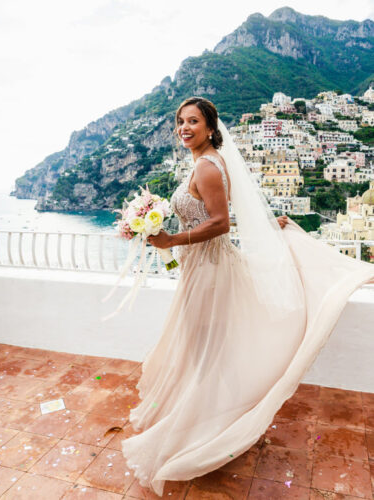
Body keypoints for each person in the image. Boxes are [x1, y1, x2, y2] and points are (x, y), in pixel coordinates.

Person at [120, 96, 374, 497]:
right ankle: (214, 419)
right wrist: (264, 224)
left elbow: (218, 224)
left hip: (209, 269)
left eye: (193, 121)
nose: (184, 128)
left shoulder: (206, 166)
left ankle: (205, 429)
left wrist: (171, 238)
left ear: (209, 127)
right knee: (210, 345)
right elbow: (218, 213)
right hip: (204, 265)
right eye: (180, 122)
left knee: (203, 346)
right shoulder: (213, 161)